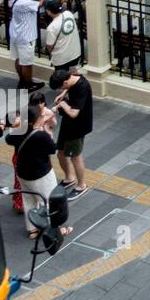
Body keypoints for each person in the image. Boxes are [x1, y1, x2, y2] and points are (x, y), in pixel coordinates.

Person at [7, 104, 71, 240]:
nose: (43, 117)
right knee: (50, 200)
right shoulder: (40, 135)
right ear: (33, 120)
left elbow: (8, 139)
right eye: (40, 116)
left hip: (23, 173)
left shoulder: (19, 130)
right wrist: (45, 130)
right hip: (41, 174)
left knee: (28, 199)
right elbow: (52, 149)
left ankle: (32, 230)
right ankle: (56, 230)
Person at [49, 65, 92, 200]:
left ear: (65, 82)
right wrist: (63, 94)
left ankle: (81, 185)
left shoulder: (82, 87)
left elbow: (74, 113)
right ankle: (69, 178)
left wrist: (62, 105)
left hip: (78, 126)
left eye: (61, 87)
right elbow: (68, 87)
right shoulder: (74, 76)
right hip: (68, 124)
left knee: (75, 156)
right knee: (60, 151)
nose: (61, 90)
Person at [9, 0, 44, 91]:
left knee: (18, 58)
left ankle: (22, 80)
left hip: (15, 33)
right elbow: (40, 3)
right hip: (26, 36)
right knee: (27, 63)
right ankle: (28, 85)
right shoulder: (24, 3)